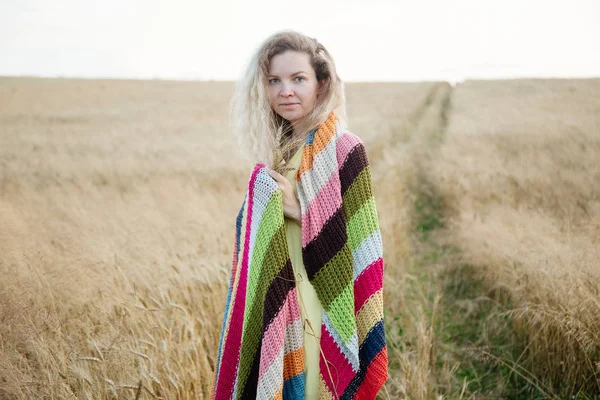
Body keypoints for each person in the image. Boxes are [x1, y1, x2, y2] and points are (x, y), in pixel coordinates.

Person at [211, 30, 388, 400]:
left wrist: (300, 211)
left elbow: (361, 246)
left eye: (298, 79)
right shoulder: (275, 155)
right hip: (275, 297)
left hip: (320, 302)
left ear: (322, 84)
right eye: (273, 80)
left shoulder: (345, 149)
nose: (284, 90)